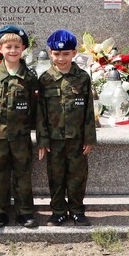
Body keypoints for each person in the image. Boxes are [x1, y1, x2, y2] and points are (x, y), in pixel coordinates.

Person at [37, 29, 95, 226]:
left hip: (77, 139)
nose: (61, 58)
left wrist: (89, 138)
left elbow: (88, 111)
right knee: (56, 176)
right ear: (50, 52)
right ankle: (58, 211)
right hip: (54, 140)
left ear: (74, 53)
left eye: (65, 54)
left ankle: (77, 210)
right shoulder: (45, 79)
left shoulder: (83, 78)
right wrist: (42, 141)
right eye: (56, 54)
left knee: (78, 176)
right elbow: (41, 113)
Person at [0, 25, 40, 229]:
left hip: (21, 136)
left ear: (23, 48)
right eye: (8, 46)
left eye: (17, 46)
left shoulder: (30, 77)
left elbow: (35, 108)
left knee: (23, 174)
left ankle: (25, 212)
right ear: (0, 48)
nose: (13, 50)